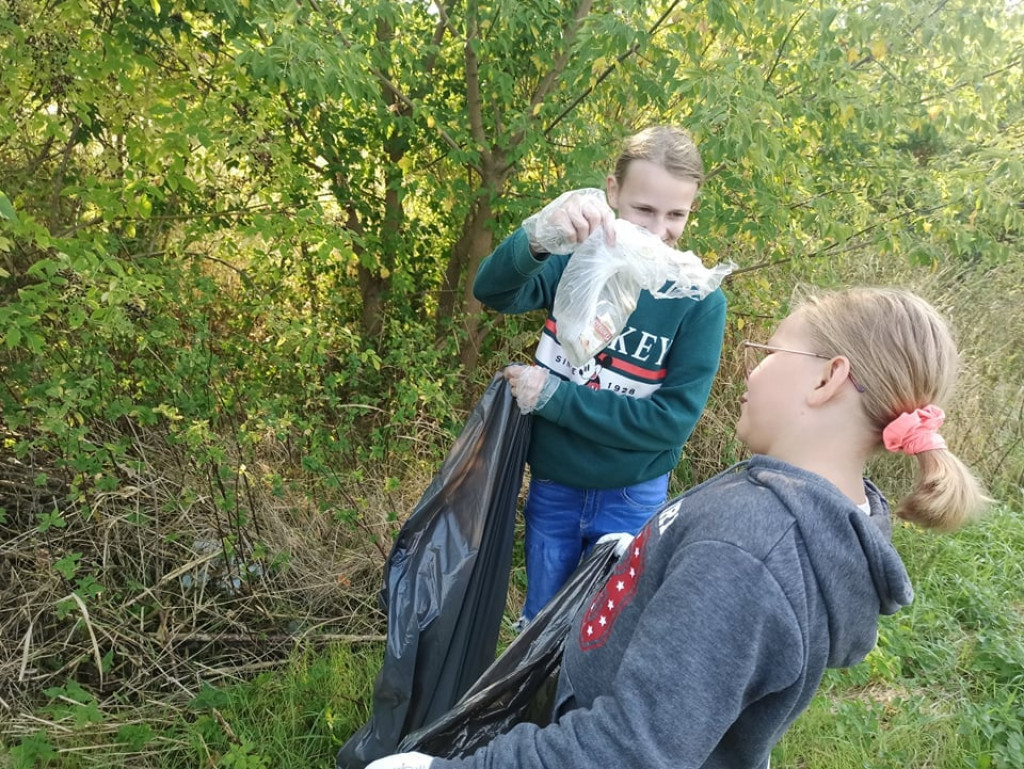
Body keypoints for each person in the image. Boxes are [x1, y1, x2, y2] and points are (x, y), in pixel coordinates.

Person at [365, 286, 988, 769]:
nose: (749, 372)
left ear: (828, 379)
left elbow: (627, 750)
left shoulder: (748, 549)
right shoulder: (816, 512)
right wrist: (644, 555)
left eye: (771, 354)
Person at [473, 125, 728, 628]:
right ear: (612, 191)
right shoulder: (577, 262)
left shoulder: (697, 299)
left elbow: (669, 423)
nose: (659, 230)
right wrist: (537, 238)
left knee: (609, 631)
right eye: (644, 209)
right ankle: (537, 707)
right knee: (541, 622)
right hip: (555, 482)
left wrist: (555, 399)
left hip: (633, 493)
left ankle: (592, 707)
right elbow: (493, 292)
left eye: (676, 214)